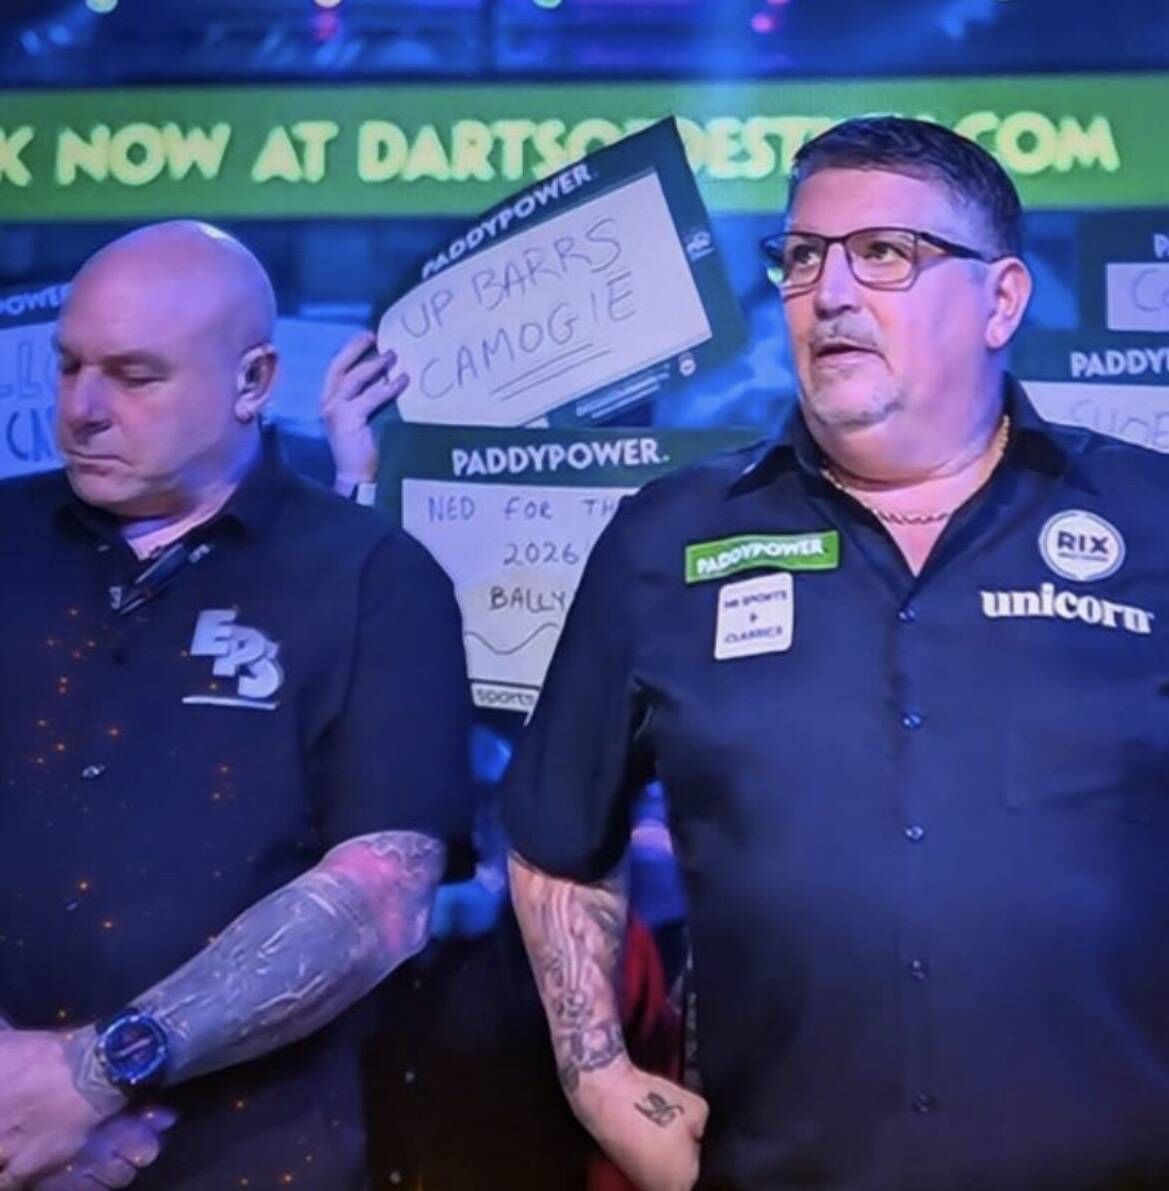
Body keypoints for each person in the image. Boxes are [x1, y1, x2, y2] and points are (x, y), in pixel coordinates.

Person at [502, 114, 1169, 1191]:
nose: (831, 292)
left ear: (1000, 300)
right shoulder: (667, 538)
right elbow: (552, 838)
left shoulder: (1149, 519)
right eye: (802, 256)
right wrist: (597, 1080)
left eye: (885, 254)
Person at [0, 221, 473, 1190]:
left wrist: (92, 1078)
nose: (84, 409)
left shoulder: (366, 576)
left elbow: (382, 893)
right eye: (70, 367)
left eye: (134, 377)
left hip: (250, 1159)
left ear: (253, 382)